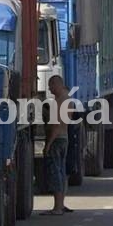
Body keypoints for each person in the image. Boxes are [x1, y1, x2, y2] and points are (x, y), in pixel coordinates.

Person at [41, 75, 73, 215]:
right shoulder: (67, 99)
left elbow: (56, 125)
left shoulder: (60, 101)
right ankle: (61, 204)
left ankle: (58, 207)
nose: (49, 88)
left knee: (56, 173)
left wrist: (48, 145)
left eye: (51, 85)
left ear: (57, 84)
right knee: (61, 171)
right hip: (64, 138)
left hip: (57, 139)